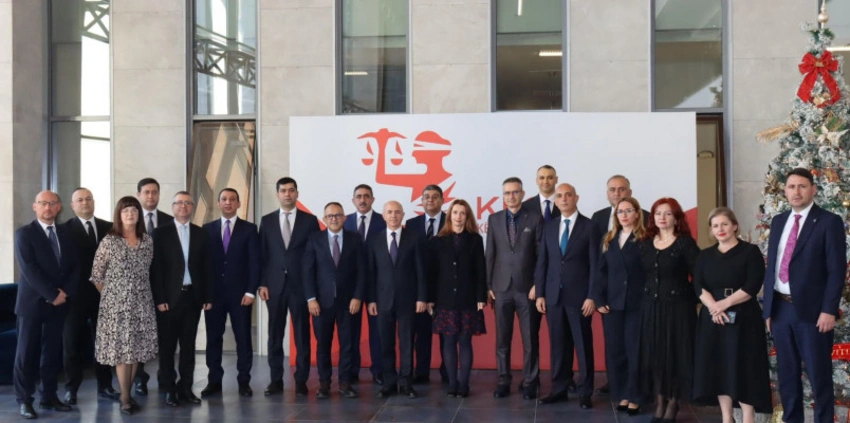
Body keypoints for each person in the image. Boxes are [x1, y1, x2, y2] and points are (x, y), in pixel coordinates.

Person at [763, 168, 844, 423]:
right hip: (780, 310)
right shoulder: (778, 221)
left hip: (813, 312)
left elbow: (836, 270)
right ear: (785, 191)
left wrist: (829, 310)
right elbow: (772, 266)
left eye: (802, 186)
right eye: (791, 187)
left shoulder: (829, 221)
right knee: (787, 376)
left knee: (819, 376)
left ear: (813, 190)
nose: (796, 192)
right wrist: (768, 309)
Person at [693, 207, 771, 423]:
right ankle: (727, 418)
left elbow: (752, 285)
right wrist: (714, 307)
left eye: (725, 224)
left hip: (744, 316)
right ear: (711, 230)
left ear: (735, 226)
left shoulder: (750, 252)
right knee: (720, 368)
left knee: (745, 367)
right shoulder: (705, 255)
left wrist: (724, 304)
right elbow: (698, 285)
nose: (720, 229)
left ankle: (748, 418)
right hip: (714, 319)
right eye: (715, 226)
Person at [13, 191, 80, 419]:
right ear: (35, 206)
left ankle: (49, 397)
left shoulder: (67, 234)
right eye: (43, 203)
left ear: (59, 207)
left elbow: (76, 266)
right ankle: (24, 400)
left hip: (59, 303)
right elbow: (29, 268)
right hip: (32, 305)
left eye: (52, 203)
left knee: (52, 353)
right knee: (26, 354)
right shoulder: (24, 233)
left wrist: (65, 292)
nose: (48, 207)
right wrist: (52, 294)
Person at [91, 196, 158, 415]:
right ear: (119, 215)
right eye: (125, 211)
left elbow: (148, 271)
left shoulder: (147, 241)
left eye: (134, 211)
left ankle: (126, 393)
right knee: (122, 352)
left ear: (139, 215)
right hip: (116, 307)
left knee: (136, 350)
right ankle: (126, 397)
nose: (130, 214)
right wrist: (113, 296)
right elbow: (97, 275)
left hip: (142, 304)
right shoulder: (109, 241)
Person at [535, 183, 599, 409]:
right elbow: (542, 262)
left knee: (583, 346)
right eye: (559, 196)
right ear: (555, 201)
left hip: (580, 298)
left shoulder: (590, 227)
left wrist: (592, 296)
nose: (563, 199)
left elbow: (595, 265)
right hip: (553, 297)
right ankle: (559, 389)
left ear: (576, 198)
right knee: (558, 346)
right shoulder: (549, 226)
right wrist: (540, 293)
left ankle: (585, 392)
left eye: (568, 195)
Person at [638, 197, 700, 423]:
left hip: (678, 310)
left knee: (675, 355)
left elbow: (699, 274)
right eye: (658, 213)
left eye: (667, 213)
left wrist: (691, 298)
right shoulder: (645, 243)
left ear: (676, 218)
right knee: (655, 356)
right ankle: (660, 401)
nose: (662, 218)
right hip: (651, 308)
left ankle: (673, 402)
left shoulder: (685, 243)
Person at [258, 177, 320, 397]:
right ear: (277, 194)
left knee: (302, 334)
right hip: (274, 287)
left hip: (301, 286)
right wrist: (262, 283)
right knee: (274, 334)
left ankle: (301, 380)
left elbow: (315, 255)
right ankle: (275, 380)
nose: (287, 194)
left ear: (297, 193)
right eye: (283, 190)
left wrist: (313, 289)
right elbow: (262, 255)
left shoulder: (309, 221)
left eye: (291, 190)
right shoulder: (266, 221)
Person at [151, 191, 214, 407]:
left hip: (192, 298)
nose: (183, 206)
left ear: (192, 207)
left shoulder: (201, 233)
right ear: (172, 207)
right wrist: (159, 298)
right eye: (179, 203)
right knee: (167, 347)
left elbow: (207, 267)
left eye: (187, 203)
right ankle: (169, 388)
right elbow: (156, 269)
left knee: (188, 346)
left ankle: (186, 388)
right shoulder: (160, 233)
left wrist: (207, 295)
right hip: (168, 300)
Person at [486, 177, 544, 399]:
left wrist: (537, 284)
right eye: (507, 193)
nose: (511, 196)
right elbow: (490, 253)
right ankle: (503, 380)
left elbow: (541, 255)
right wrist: (488, 285)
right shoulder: (494, 219)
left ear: (522, 194)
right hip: (501, 288)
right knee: (502, 339)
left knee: (530, 339)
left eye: (515, 192)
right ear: (503, 196)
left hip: (527, 289)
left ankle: (530, 381)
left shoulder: (535, 218)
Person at [61, 188, 119, 404]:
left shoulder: (109, 228)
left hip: (103, 295)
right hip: (74, 298)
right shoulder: (64, 230)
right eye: (80, 200)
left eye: (88, 199)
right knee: (71, 345)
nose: (84, 203)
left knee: (103, 344)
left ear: (93, 202)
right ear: (72, 205)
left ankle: (105, 386)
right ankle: (71, 389)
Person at [303, 202, 366, 399]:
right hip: (321, 304)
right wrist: (311, 298)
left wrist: (358, 296)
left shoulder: (355, 239)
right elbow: (308, 271)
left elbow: (362, 272)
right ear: (324, 219)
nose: (334, 219)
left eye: (338, 215)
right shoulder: (314, 239)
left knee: (348, 345)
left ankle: (345, 383)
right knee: (323, 345)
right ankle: (324, 383)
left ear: (344, 218)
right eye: (330, 216)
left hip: (349, 303)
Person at [201, 188, 260, 398]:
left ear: (238, 204)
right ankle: (214, 381)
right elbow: (203, 265)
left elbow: (255, 263)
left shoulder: (249, 229)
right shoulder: (207, 229)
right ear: (218, 203)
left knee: (243, 339)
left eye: (232, 199)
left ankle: (244, 382)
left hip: (240, 295)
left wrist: (251, 291)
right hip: (214, 296)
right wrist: (205, 295)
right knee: (213, 339)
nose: (228, 202)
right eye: (224, 199)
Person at [367, 201, 428, 398]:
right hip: (382, 301)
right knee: (385, 343)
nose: (393, 215)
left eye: (397, 212)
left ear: (403, 215)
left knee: (407, 343)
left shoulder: (414, 238)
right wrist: (371, 300)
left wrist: (421, 297)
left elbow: (421, 271)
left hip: (408, 300)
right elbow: (371, 273)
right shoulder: (374, 240)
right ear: (383, 216)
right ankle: (389, 382)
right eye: (389, 212)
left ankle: (406, 383)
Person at [592, 197, 647, 415]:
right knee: (616, 351)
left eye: (628, 210)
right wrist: (599, 299)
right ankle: (622, 393)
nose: (624, 215)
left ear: (637, 214)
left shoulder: (645, 239)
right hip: (612, 304)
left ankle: (636, 396)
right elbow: (600, 272)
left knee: (635, 351)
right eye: (620, 212)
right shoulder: (608, 239)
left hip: (636, 303)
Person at [429, 199, 487, 398]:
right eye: (455, 212)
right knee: (448, 342)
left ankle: (464, 384)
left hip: (468, 299)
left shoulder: (475, 240)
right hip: (444, 299)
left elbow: (480, 270)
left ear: (467, 216)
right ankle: (452, 383)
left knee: (465, 342)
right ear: (449, 216)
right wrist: (430, 299)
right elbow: (433, 273)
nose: (458, 216)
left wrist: (480, 296)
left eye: (462, 213)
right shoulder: (438, 241)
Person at [343, 184, 386, 384]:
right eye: (359, 196)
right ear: (353, 200)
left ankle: (378, 370)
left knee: (378, 331)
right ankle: (352, 370)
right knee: (351, 331)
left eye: (366, 196)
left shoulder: (383, 221)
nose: (362, 200)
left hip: (378, 285)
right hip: (351, 287)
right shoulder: (344, 222)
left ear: (372, 199)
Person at [134, 177, 173, 396]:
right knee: (139, 335)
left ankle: (166, 378)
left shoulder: (169, 220)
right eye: (147, 192)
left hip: (165, 289)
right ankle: (139, 379)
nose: (151, 196)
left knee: (165, 335)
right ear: (139, 195)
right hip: (138, 289)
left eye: (154, 192)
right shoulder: (129, 219)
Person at [405, 184, 447, 384]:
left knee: (447, 335)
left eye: (435, 196)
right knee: (421, 334)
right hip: (419, 290)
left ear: (442, 200)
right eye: (427, 196)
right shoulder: (411, 224)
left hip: (445, 288)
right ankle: (421, 372)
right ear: (421, 201)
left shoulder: (451, 220)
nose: (430, 200)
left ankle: (448, 372)